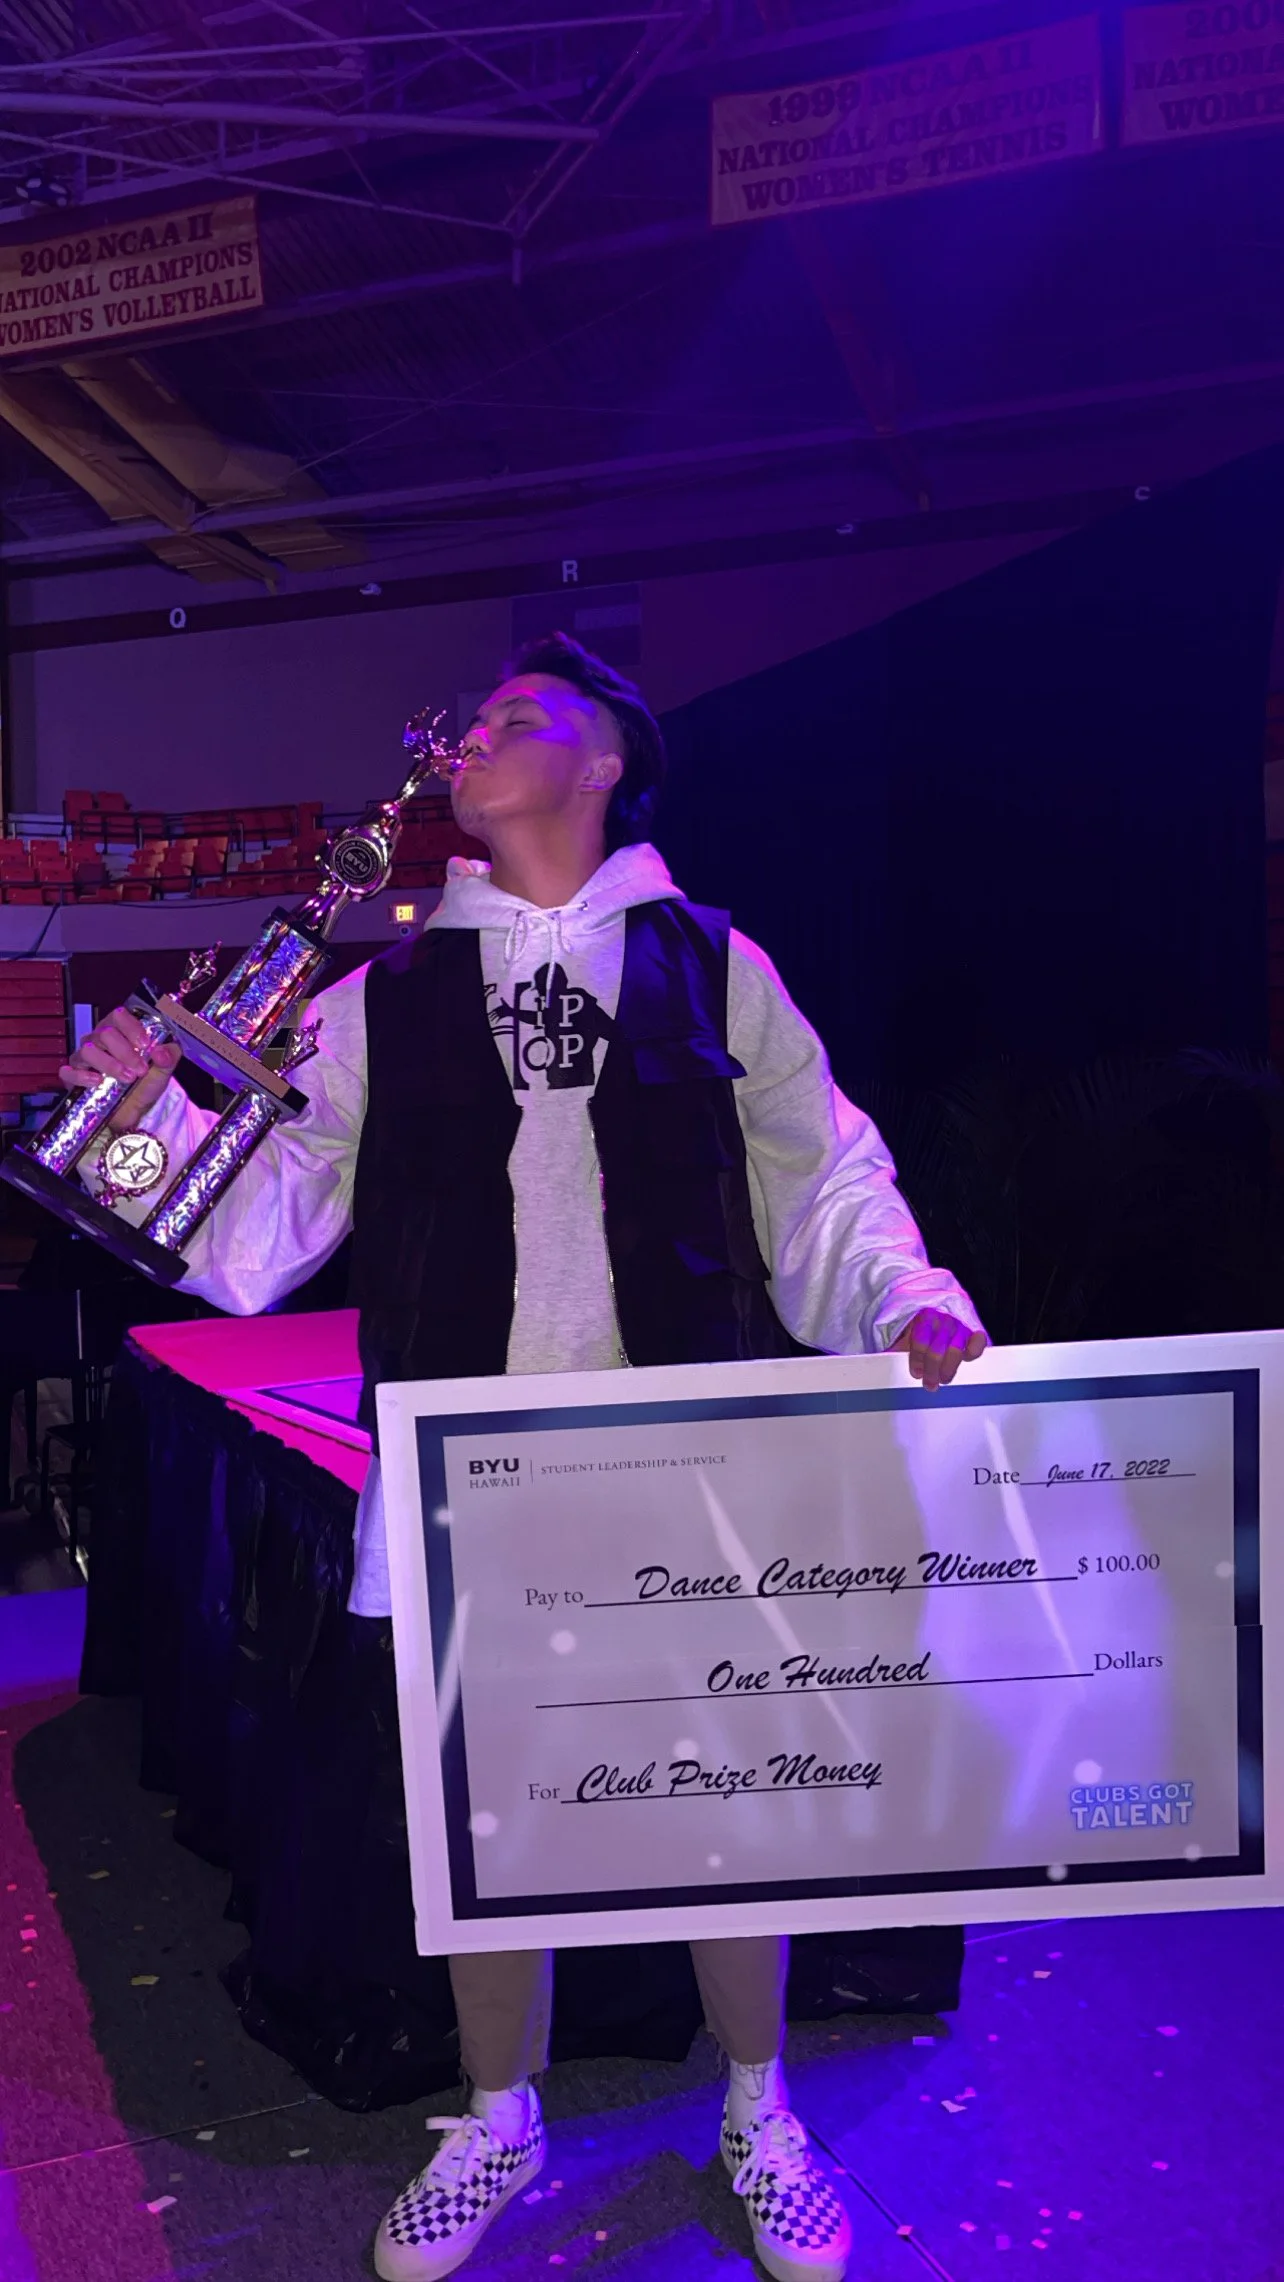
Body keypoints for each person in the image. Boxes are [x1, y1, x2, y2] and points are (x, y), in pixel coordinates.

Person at [65, 635, 988, 2282]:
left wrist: (905, 1290)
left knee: (723, 1811)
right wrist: (135, 1125)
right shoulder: (384, 995)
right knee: (488, 1827)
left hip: (685, 1454)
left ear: (606, 757)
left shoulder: (714, 966)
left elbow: (822, 1174)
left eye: (511, 715)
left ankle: (757, 2108)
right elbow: (254, 1225)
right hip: (464, 1467)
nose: (469, 735)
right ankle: (500, 2114)